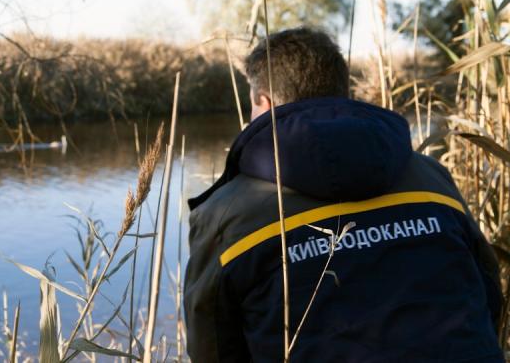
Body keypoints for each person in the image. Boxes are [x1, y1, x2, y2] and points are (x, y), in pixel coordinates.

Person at [183, 27, 503, 362]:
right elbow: (488, 287)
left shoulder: (226, 213)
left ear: (261, 101)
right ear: (342, 90)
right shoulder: (431, 177)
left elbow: (213, 347)